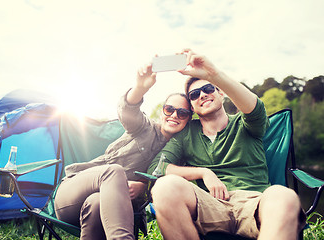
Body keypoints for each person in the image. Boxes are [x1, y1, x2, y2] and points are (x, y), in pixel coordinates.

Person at [147, 49, 306, 240]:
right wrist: (203, 172)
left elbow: (255, 108)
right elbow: (158, 167)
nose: (202, 95)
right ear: (192, 107)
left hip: (254, 203)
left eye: (208, 89)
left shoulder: (247, 123)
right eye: (195, 94)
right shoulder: (187, 134)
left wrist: (214, 75)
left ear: (221, 92)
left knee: (284, 197)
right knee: (164, 188)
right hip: (209, 206)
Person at [54, 62, 192, 240]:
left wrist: (144, 189)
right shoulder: (145, 128)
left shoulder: (179, 156)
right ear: (162, 112)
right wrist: (140, 88)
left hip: (106, 209)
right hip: (71, 196)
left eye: (182, 113)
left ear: (189, 119)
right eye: (169, 109)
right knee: (114, 172)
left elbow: (170, 194)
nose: (174, 115)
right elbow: (128, 110)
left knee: (96, 203)